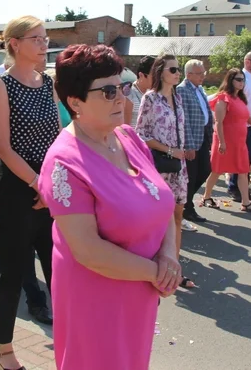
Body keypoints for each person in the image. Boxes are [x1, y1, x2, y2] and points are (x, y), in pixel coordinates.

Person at [40, 44, 179, 370]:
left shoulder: (129, 138)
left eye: (123, 86)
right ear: (75, 102)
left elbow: (162, 202)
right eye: (107, 91)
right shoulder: (64, 162)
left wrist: (169, 255)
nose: (122, 97)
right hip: (96, 297)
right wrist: (158, 273)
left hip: (140, 291)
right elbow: (88, 250)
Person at [0, 16, 59, 370]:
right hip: (18, 185)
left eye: (45, 38)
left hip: (48, 182)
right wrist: (38, 183)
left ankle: (73, 341)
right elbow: (3, 147)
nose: (45, 44)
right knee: (13, 272)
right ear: (14, 43)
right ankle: (4, 350)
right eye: (37, 38)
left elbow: (59, 138)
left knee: (58, 269)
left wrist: (53, 183)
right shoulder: (1, 86)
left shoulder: (48, 83)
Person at [0, 91, 52, 325]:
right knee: (22, 245)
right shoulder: (2, 90)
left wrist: (47, 183)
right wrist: (36, 183)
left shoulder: (46, 89)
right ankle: (35, 300)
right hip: (12, 169)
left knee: (22, 240)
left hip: (42, 170)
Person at [136, 55, 195, 289]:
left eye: (179, 69)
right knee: (160, 218)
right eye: (173, 69)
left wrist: (182, 150)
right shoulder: (150, 99)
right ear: (161, 72)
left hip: (178, 167)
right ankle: (152, 266)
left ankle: (174, 270)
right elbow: (141, 133)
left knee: (178, 216)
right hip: (160, 166)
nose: (178, 73)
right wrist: (169, 150)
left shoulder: (178, 98)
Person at [198, 68, 251, 214]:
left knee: (243, 170)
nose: (241, 83)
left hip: (240, 142)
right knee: (217, 170)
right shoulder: (223, 98)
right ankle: (206, 196)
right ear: (230, 81)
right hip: (225, 141)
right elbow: (219, 122)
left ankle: (246, 202)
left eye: (243, 80)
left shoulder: (240, 98)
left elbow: (245, 117)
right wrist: (222, 142)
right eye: (238, 79)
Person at [227, 52, 251, 203]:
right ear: (247, 62)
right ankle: (234, 187)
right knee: (240, 159)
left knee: (248, 159)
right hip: (244, 125)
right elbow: (239, 103)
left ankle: (244, 189)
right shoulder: (241, 78)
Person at [178, 59, 211, 223]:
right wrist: (189, 146)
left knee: (205, 170)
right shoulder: (182, 90)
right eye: (200, 73)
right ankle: (187, 207)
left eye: (204, 72)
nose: (203, 76)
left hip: (203, 137)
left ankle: (185, 201)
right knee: (191, 175)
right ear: (189, 74)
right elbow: (184, 121)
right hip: (192, 141)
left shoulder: (199, 89)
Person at [126, 56, 154, 126]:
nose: (157, 79)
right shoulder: (129, 94)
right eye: (153, 76)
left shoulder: (152, 94)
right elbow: (125, 128)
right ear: (141, 75)